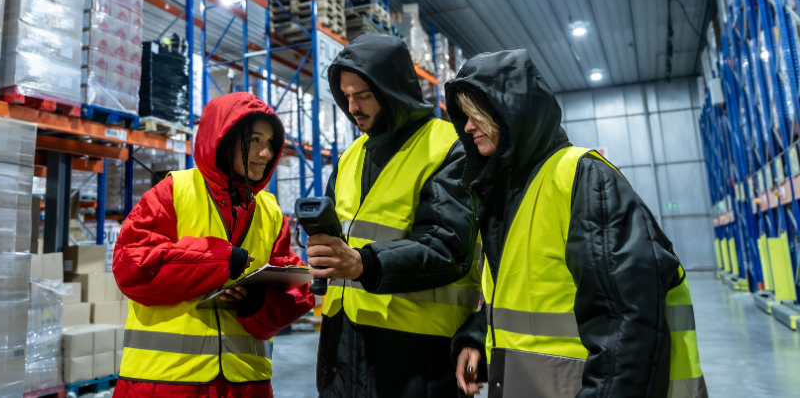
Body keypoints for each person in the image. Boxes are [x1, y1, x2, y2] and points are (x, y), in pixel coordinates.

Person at [445, 50, 707, 398]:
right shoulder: (501, 196)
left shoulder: (583, 179)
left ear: (511, 111)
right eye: (463, 115)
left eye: (476, 113)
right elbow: (523, 299)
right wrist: (476, 336)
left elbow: (627, 325)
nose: (467, 126)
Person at [306, 34, 483, 398]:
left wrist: (361, 263)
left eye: (364, 95)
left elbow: (448, 248)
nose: (353, 106)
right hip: (344, 341)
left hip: (417, 350)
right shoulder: (350, 157)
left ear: (394, 91)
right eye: (347, 96)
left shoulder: (448, 148)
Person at [112, 91, 315, 398]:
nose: (265, 153)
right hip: (166, 383)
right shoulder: (173, 193)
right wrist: (217, 260)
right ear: (224, 139)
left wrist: (258, 303)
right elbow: (133, 268)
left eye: (270, 143)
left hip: (247, 385)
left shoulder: (271, 212)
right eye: (255, 140)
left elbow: (297, 290)